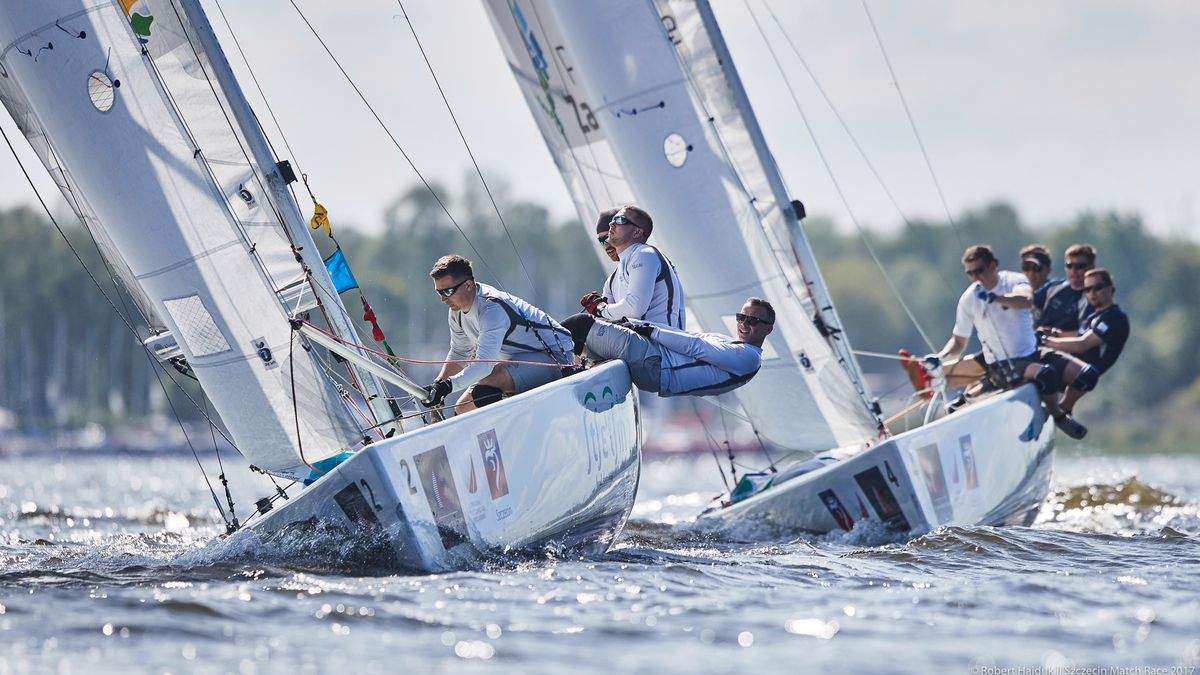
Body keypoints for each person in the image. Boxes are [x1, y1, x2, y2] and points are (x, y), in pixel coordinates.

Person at [928, 244, 1086, 439]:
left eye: (980, 270)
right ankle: (1056, 415)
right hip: (1000, 366)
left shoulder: (1013, 281)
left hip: (1030, 355)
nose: (976, 277)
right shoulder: (968, 299)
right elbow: (958, 343)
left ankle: (1057, 414)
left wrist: (995, 298)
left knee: (1075, 375)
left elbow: (1026, 300)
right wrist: (941, 357)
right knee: (1045, 374)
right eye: (970, 273)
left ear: (993, 265)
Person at [421, 255, 572, 414]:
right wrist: (438, 385)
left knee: (484, 390)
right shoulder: (456, 311)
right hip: (519, 359)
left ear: (468, 285)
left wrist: (447, 386)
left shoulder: (491, 308)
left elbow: (483, 365)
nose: (443, 299)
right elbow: (460, 353)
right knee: (463, 408)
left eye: (448, 291)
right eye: (439, 292)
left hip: (556, 357)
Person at [560, 298, 772, 397]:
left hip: (655, 366)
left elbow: (696, 347)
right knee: (585, 337)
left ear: (767, 329)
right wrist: (631, 322)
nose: (744, 324)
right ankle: (559, 368)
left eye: (753, 321)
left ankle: (545, 359)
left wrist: (650, 331)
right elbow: (686, 335)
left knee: (580, 324)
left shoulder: (749, 358)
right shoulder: (728, 342)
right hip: (652, 360)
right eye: (741, 317)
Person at [579, 205, 686, 330]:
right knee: (578, 329)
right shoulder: (612, 280)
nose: (606, 245)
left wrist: (600, 308)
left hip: (663, 343)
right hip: (640, 341)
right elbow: (603, 321)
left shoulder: (645, 254)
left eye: (619, 221)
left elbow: (634, 308)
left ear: (636, 232)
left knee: (578, 325)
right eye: (602, 240)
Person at [1040, 268, 1129, 414]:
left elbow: (1082, 345)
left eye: (1097, 288)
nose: (1092, 293)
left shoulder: (1115, 318)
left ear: (1110, 289)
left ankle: (1063, 409)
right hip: (1069, 372)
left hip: (1080, 376)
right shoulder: (1094, 316)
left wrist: (1046, 341)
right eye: (1088, 289)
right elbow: (1077, 334)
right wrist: (1054, 334)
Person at [1037, 243, 1095, 333]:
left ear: (1092, 267)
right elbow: (1028, 303)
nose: (1074, 270)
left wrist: (1053, 336)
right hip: (1039, 343)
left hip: (1065, 345)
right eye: (1069, 266)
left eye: (1080, 266)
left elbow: (1085, 333)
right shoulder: (1053, 287)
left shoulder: (1093, 297)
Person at [1019, 245, 1057, 325]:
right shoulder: (1016, 294)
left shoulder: (1056, 293)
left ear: (1048, 270)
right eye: (1026, 268)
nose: (1031, 273)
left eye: (1036, 268)